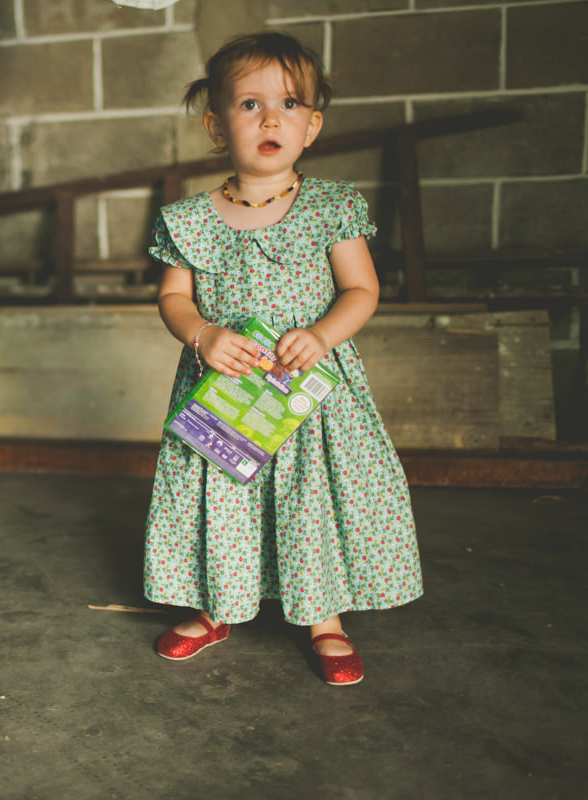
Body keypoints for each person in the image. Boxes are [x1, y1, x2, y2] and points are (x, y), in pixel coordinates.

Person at [143, 31, 423, 686]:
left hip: (309, 392)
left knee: (310, 495)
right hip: (228, 392)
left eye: (290, 103)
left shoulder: (332, 208)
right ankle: (216, 604)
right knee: (220, 490)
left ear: (313, 124)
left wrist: (324, 334)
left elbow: (363, 289)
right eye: (249, 104)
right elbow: (173, 299)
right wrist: (203, 336)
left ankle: (324, 614)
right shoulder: (192, 219)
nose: (272, 118)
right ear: (216, 125)